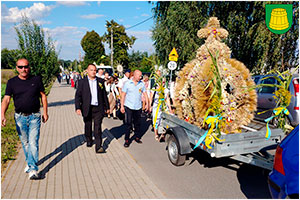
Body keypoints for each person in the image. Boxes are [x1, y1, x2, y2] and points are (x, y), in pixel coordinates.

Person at [1, 58, 49, 180]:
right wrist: (2, 114)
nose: (24, 69)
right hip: (19, 118)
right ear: (17, 68)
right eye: (21, 67)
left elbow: (43, 96)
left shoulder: (36, 79)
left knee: (33, 142)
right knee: (25, 143)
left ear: (29, 67)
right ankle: (29, 163)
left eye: (26, 67)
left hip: (35, 116)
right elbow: (6, 99)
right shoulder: (12, 82)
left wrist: (45, 112)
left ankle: (33, 169)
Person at [75, 64, 109, 154]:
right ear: (87, 71)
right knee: (88, 125)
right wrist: (78, 107)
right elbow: (78, 96)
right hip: (87, 107)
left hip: (98, 108)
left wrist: (107, 107)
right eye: (91, 70)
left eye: (94, 70)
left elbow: (104, 95)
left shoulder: (100, 81)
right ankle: (89, 139)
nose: (93, 72)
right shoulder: (82, 82)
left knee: (97, 127)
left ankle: (99, 146)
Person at [120, 70, 149, 147]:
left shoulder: (141, 84)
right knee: (128, 123)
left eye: (141, 76)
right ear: (135, 75)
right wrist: (122, 106)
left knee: (137, 123)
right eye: (139, 76)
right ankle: (127, 139)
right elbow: (123, 95)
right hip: (129, 106)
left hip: (138, 107)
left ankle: (137, 137)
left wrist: (147, 104)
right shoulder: (127, 83)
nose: (140, 77)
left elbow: (145, 94)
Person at [150, 76, 173, 142]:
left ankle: (163, 134)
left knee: (164, 120)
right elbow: (151, 98)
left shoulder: (165, 89)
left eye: (164, 82)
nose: (162, 83)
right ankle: (156, 134)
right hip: (156, 106)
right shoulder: (155, 89)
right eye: (161, 82)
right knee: (156, 120)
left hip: (164, 106)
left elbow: (167, 99)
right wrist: (150, 106)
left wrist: (170, 108)